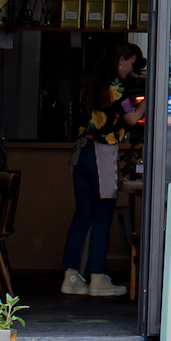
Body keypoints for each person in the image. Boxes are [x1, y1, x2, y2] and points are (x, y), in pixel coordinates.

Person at [62, 41, 146, 298]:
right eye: (131, 63)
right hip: (102, 152)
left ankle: (71, 277)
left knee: (82, 216)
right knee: (102, 217)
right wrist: (149, 100)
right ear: (122, 59)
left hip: (81, 152)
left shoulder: (92, 83)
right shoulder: (116, 87)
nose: (132, 69)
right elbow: (132, 119)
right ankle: (98, 277)